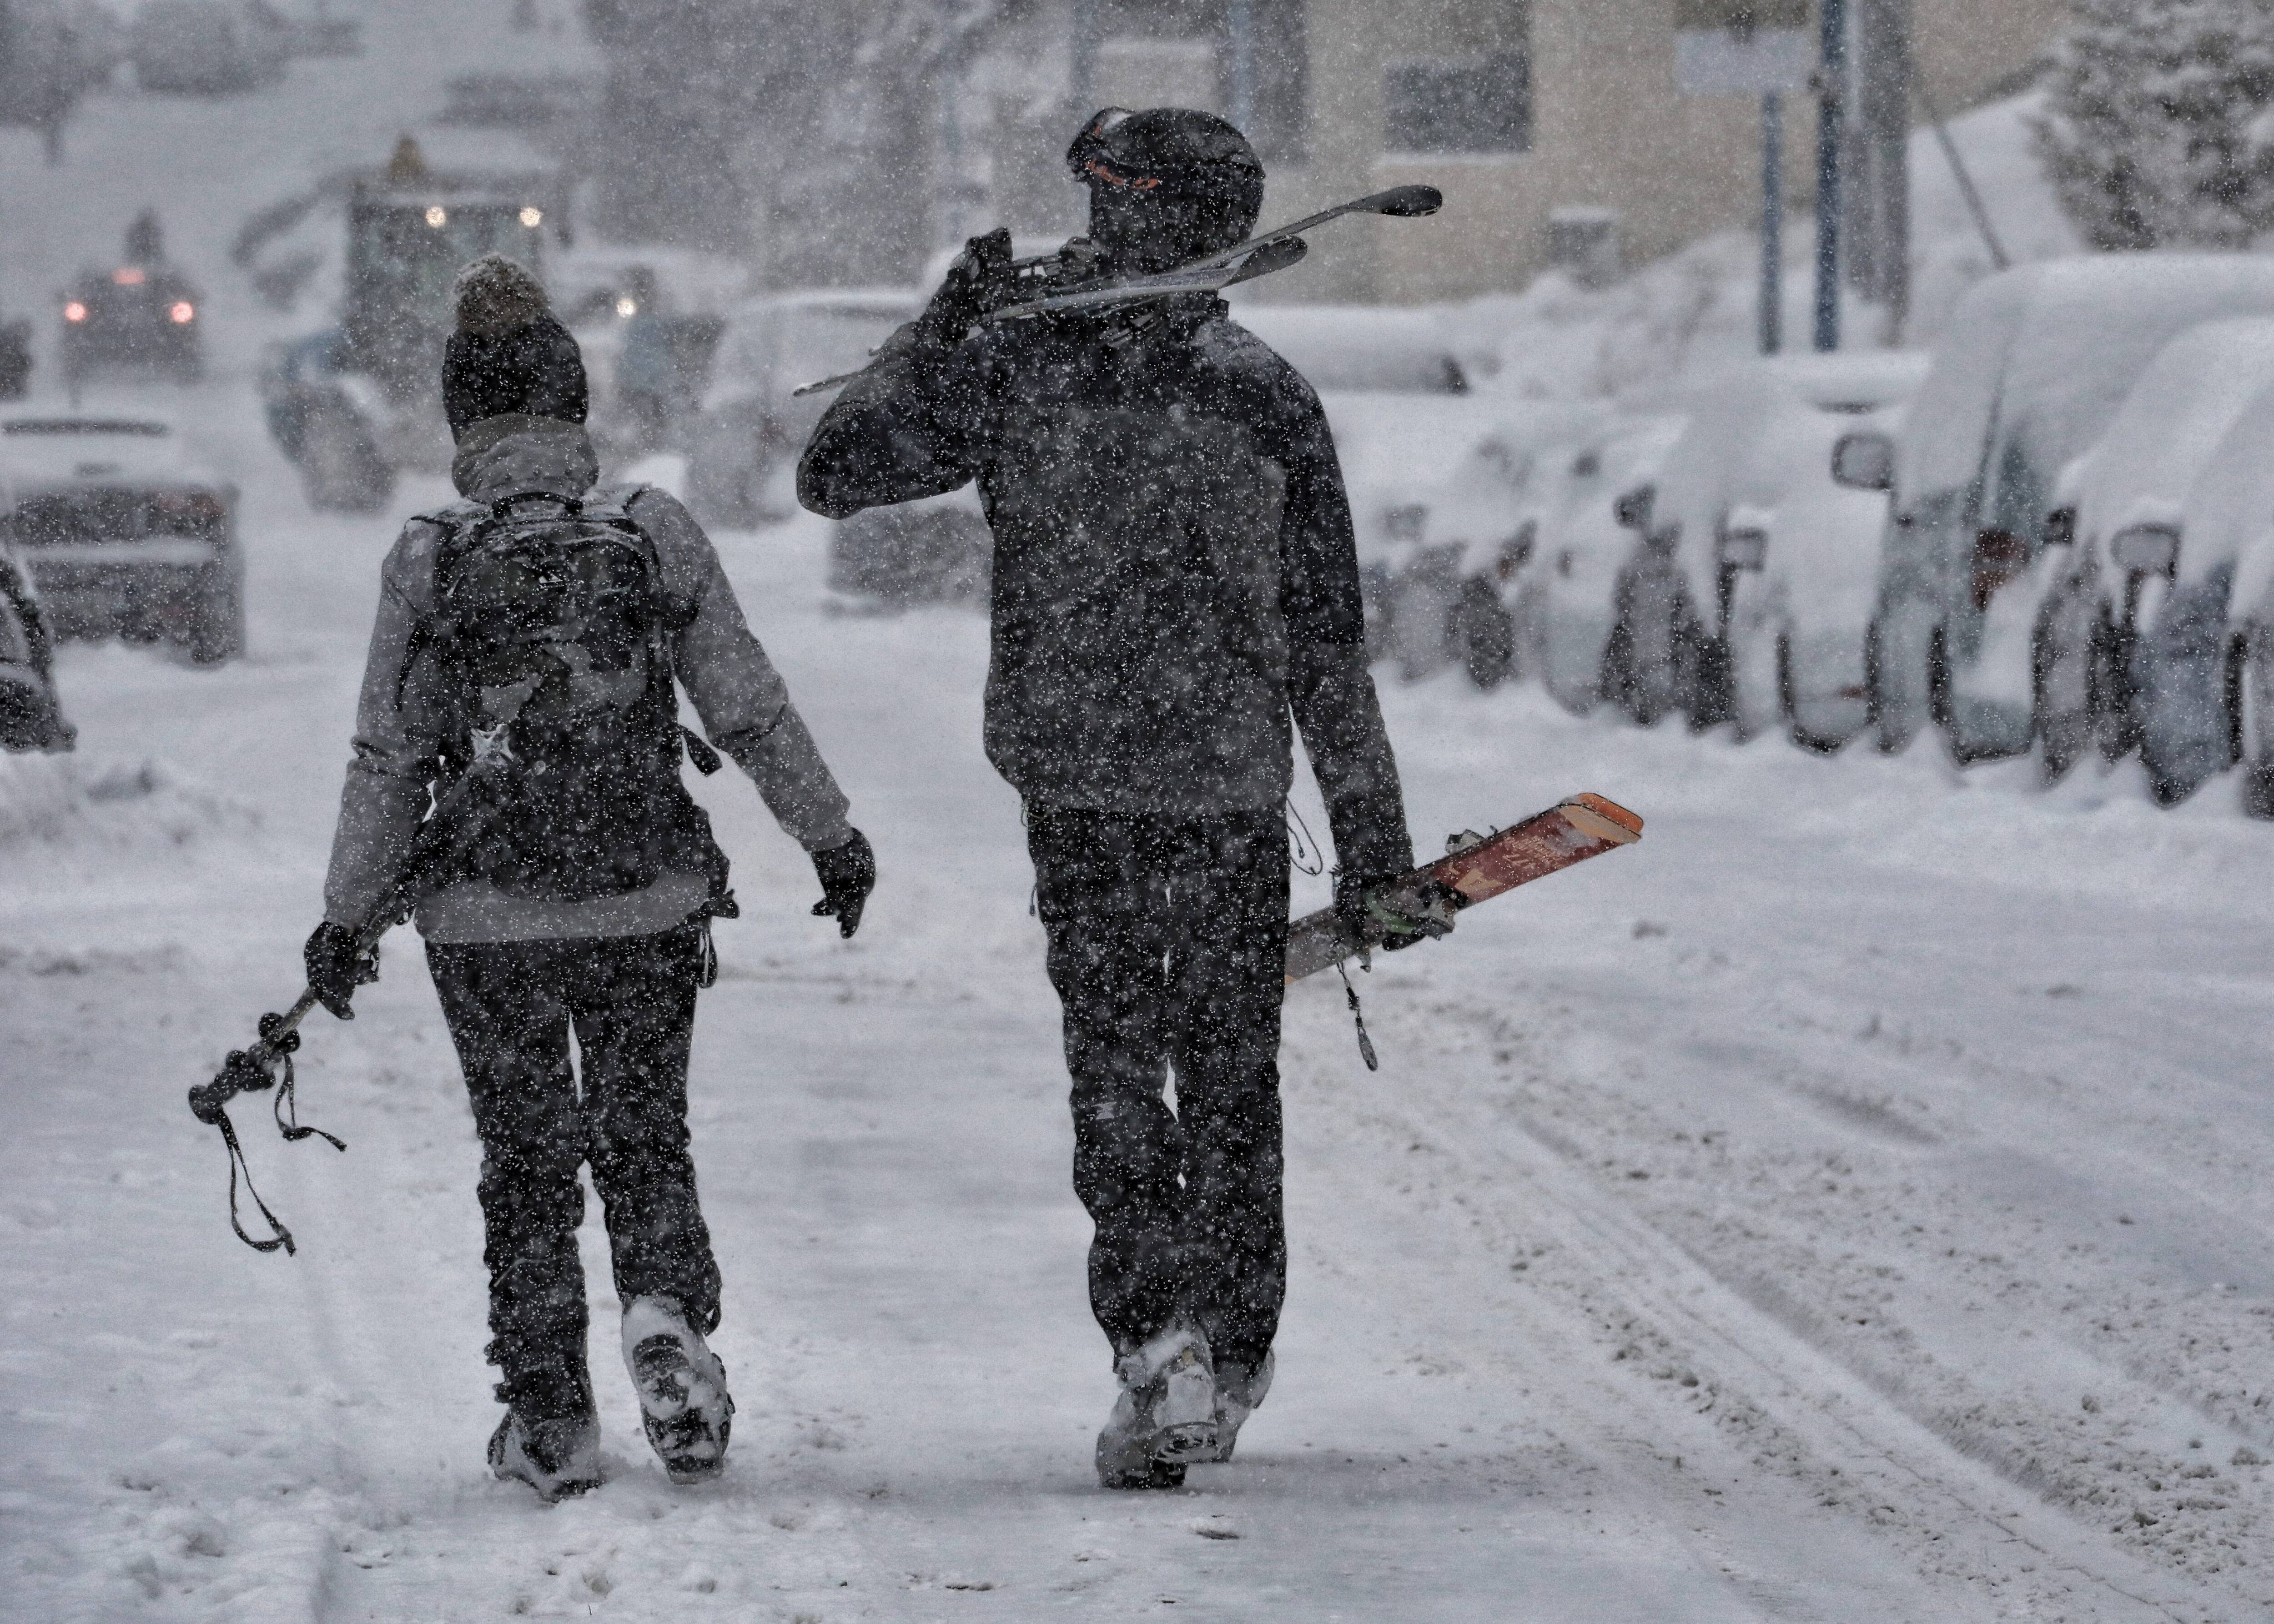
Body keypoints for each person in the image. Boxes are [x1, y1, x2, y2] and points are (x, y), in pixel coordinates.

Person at [797, 108, 1444, 1490]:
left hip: (1087, 782)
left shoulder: (1032, 369)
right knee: (1225, 1072)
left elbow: (838, 468)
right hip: (1205, 789)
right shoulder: (1250, 393)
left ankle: (1160, 1341)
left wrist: (941, 336)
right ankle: (1221, 1335)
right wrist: (1372, 843)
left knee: (1118, 1068)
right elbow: (1328, 646)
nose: (1093, 236)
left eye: (1114, 208)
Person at [311, 253, 876, 1504]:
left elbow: (388, 756)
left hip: (484, 918)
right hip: (644, 897)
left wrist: (345, 920)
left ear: (465, 425)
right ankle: (666, 1312)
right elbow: (750, 710)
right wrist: (830, 837)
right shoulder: (648, 529)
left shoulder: (428, 558)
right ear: (576, 415)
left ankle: (553, 1415)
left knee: (524, 1161)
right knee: (643, 1133)